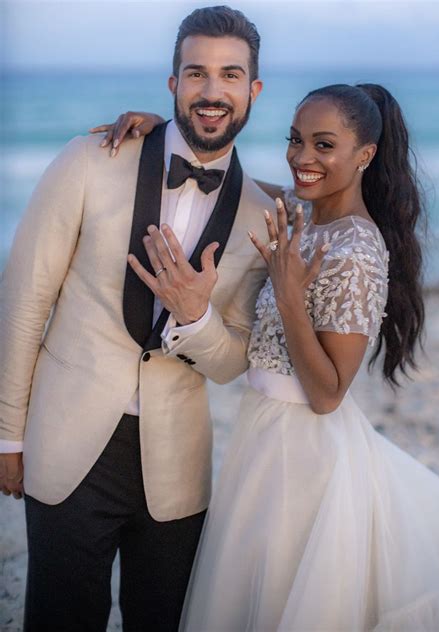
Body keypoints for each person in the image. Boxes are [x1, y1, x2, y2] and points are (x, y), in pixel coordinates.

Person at [98, 85, 439, 630]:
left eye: (324, 145)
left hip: (307, 451)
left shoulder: (359, 251)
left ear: (364, 154)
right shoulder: (301, 211)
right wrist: (169, 136)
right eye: (296, 140)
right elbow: (234, 186)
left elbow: (327, 394)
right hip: (262, 432)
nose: (302, 157)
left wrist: (291, 296)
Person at [0, 6, 275, 631]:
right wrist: (7, 436)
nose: (212, 91)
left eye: (230, 75)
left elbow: (235, 360)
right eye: (196, 73)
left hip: (176, 466)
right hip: (67, 441)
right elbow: (24, 301)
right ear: (172, 83)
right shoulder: (90, 159)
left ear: (253, 90)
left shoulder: (262, 216)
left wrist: (196, 315)